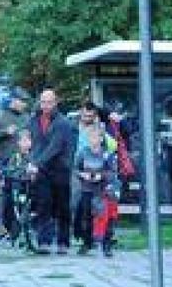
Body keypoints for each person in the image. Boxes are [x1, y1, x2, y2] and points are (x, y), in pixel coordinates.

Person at [28, 89, 74, 254]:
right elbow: (32, 144)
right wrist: (31, 162)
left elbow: (55, 147)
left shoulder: (63, 123)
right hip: (42, 170)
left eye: (49, 102)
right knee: (43, 205)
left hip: (60, 169)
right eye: (43, 102)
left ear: (55, 103)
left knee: (62, 207)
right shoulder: (33, 120)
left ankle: (63, 242)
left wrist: (36, 163)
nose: (46, 105)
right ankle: (44, 241)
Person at [73, 126, 120, 256]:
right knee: (86, 216)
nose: (94, 140)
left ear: (101, 138)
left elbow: (113, 172)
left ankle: (107, 243)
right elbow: (76, 169)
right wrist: (82, 175)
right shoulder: (83, 153)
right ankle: (87, 242)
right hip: (87, 189)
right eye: (91, 137)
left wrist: (102, 176)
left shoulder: (107, 154)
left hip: (103, 191)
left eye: (96, 137)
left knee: (105, 217)